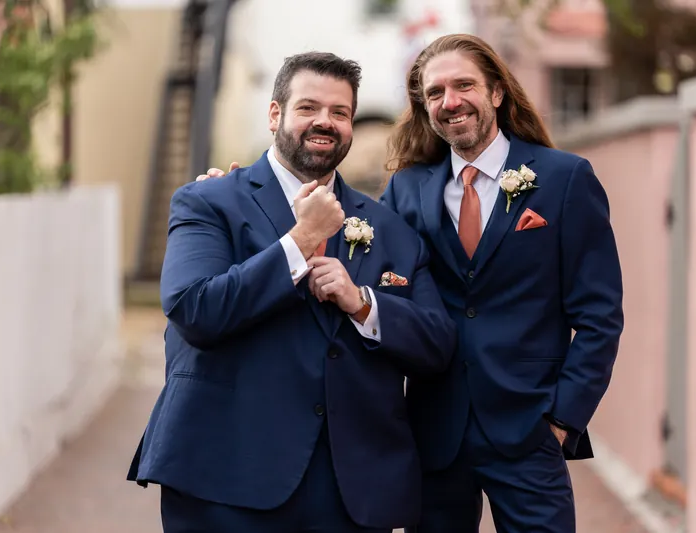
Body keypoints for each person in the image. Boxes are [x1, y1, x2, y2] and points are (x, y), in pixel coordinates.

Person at [198, 34, 624, 533]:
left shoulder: (565, 179)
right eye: (436, 92)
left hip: (529, 428)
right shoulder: (408, 187)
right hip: (432, 432)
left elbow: (600, 316)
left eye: (464, 85)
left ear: (497, 93)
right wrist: (237, 199)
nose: (451, 101)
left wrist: (562, 420)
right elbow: (349, 259)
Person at [128, 51, 457, 533]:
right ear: (275, 114)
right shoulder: (208, 201)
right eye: (308, 107)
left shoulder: (391, 228)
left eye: (340, 112)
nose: (325, 121)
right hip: (225, 475)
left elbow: (437, 344)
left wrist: (364, 303)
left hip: (349, 491)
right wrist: (300, 242)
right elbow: (194, 309)